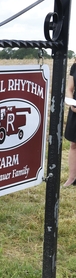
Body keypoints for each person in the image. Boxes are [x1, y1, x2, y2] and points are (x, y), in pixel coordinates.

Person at [63, 59, 76, 187]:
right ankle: (72, 177)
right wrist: (72, 104)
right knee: (74, 144)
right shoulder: (75, 66)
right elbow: (69, 89)